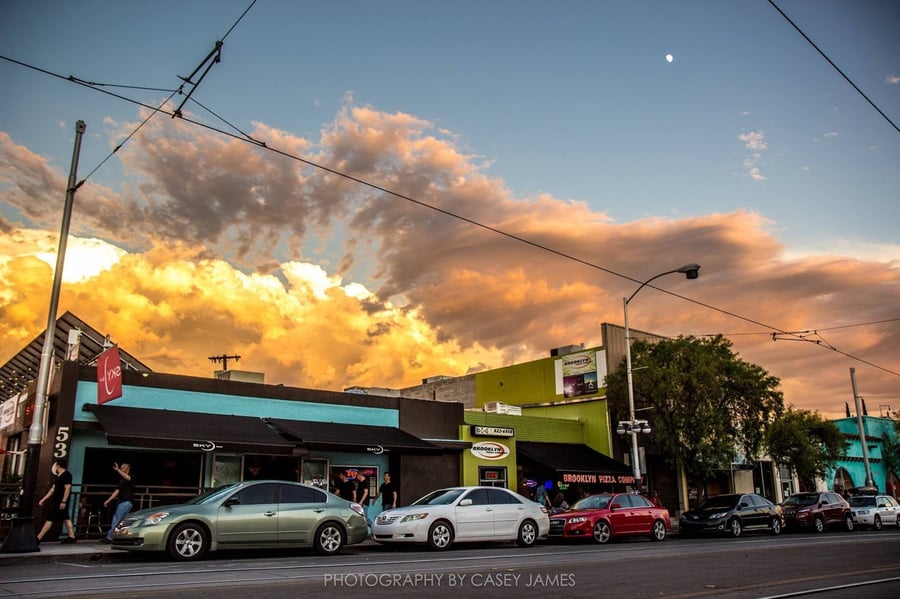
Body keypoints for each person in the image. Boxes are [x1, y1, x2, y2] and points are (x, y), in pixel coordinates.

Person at [36, 459, 77, 544]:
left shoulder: (67, 475)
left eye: (56, 465)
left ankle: (38, 538)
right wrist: (44, 499)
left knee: (50, 518)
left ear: (58, 465)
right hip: (57, 500)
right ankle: (72, 536)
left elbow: (68, 488)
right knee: (66, 517)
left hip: (60, 501)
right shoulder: (59, 476)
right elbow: (52, 489)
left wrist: (64, 501)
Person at [101, 462, 134, 543]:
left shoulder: (131, 476)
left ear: (128, 469)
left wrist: (118, 470)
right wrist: (108, 500)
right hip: (123, 502)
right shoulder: (122, 480)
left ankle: (110, 537)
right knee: (123, 521)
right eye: (121, 467)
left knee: (117, 519)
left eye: (123, 467)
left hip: (126, 501)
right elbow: (117, 491)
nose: (121, 469)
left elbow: (128, 478)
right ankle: (122, 538)